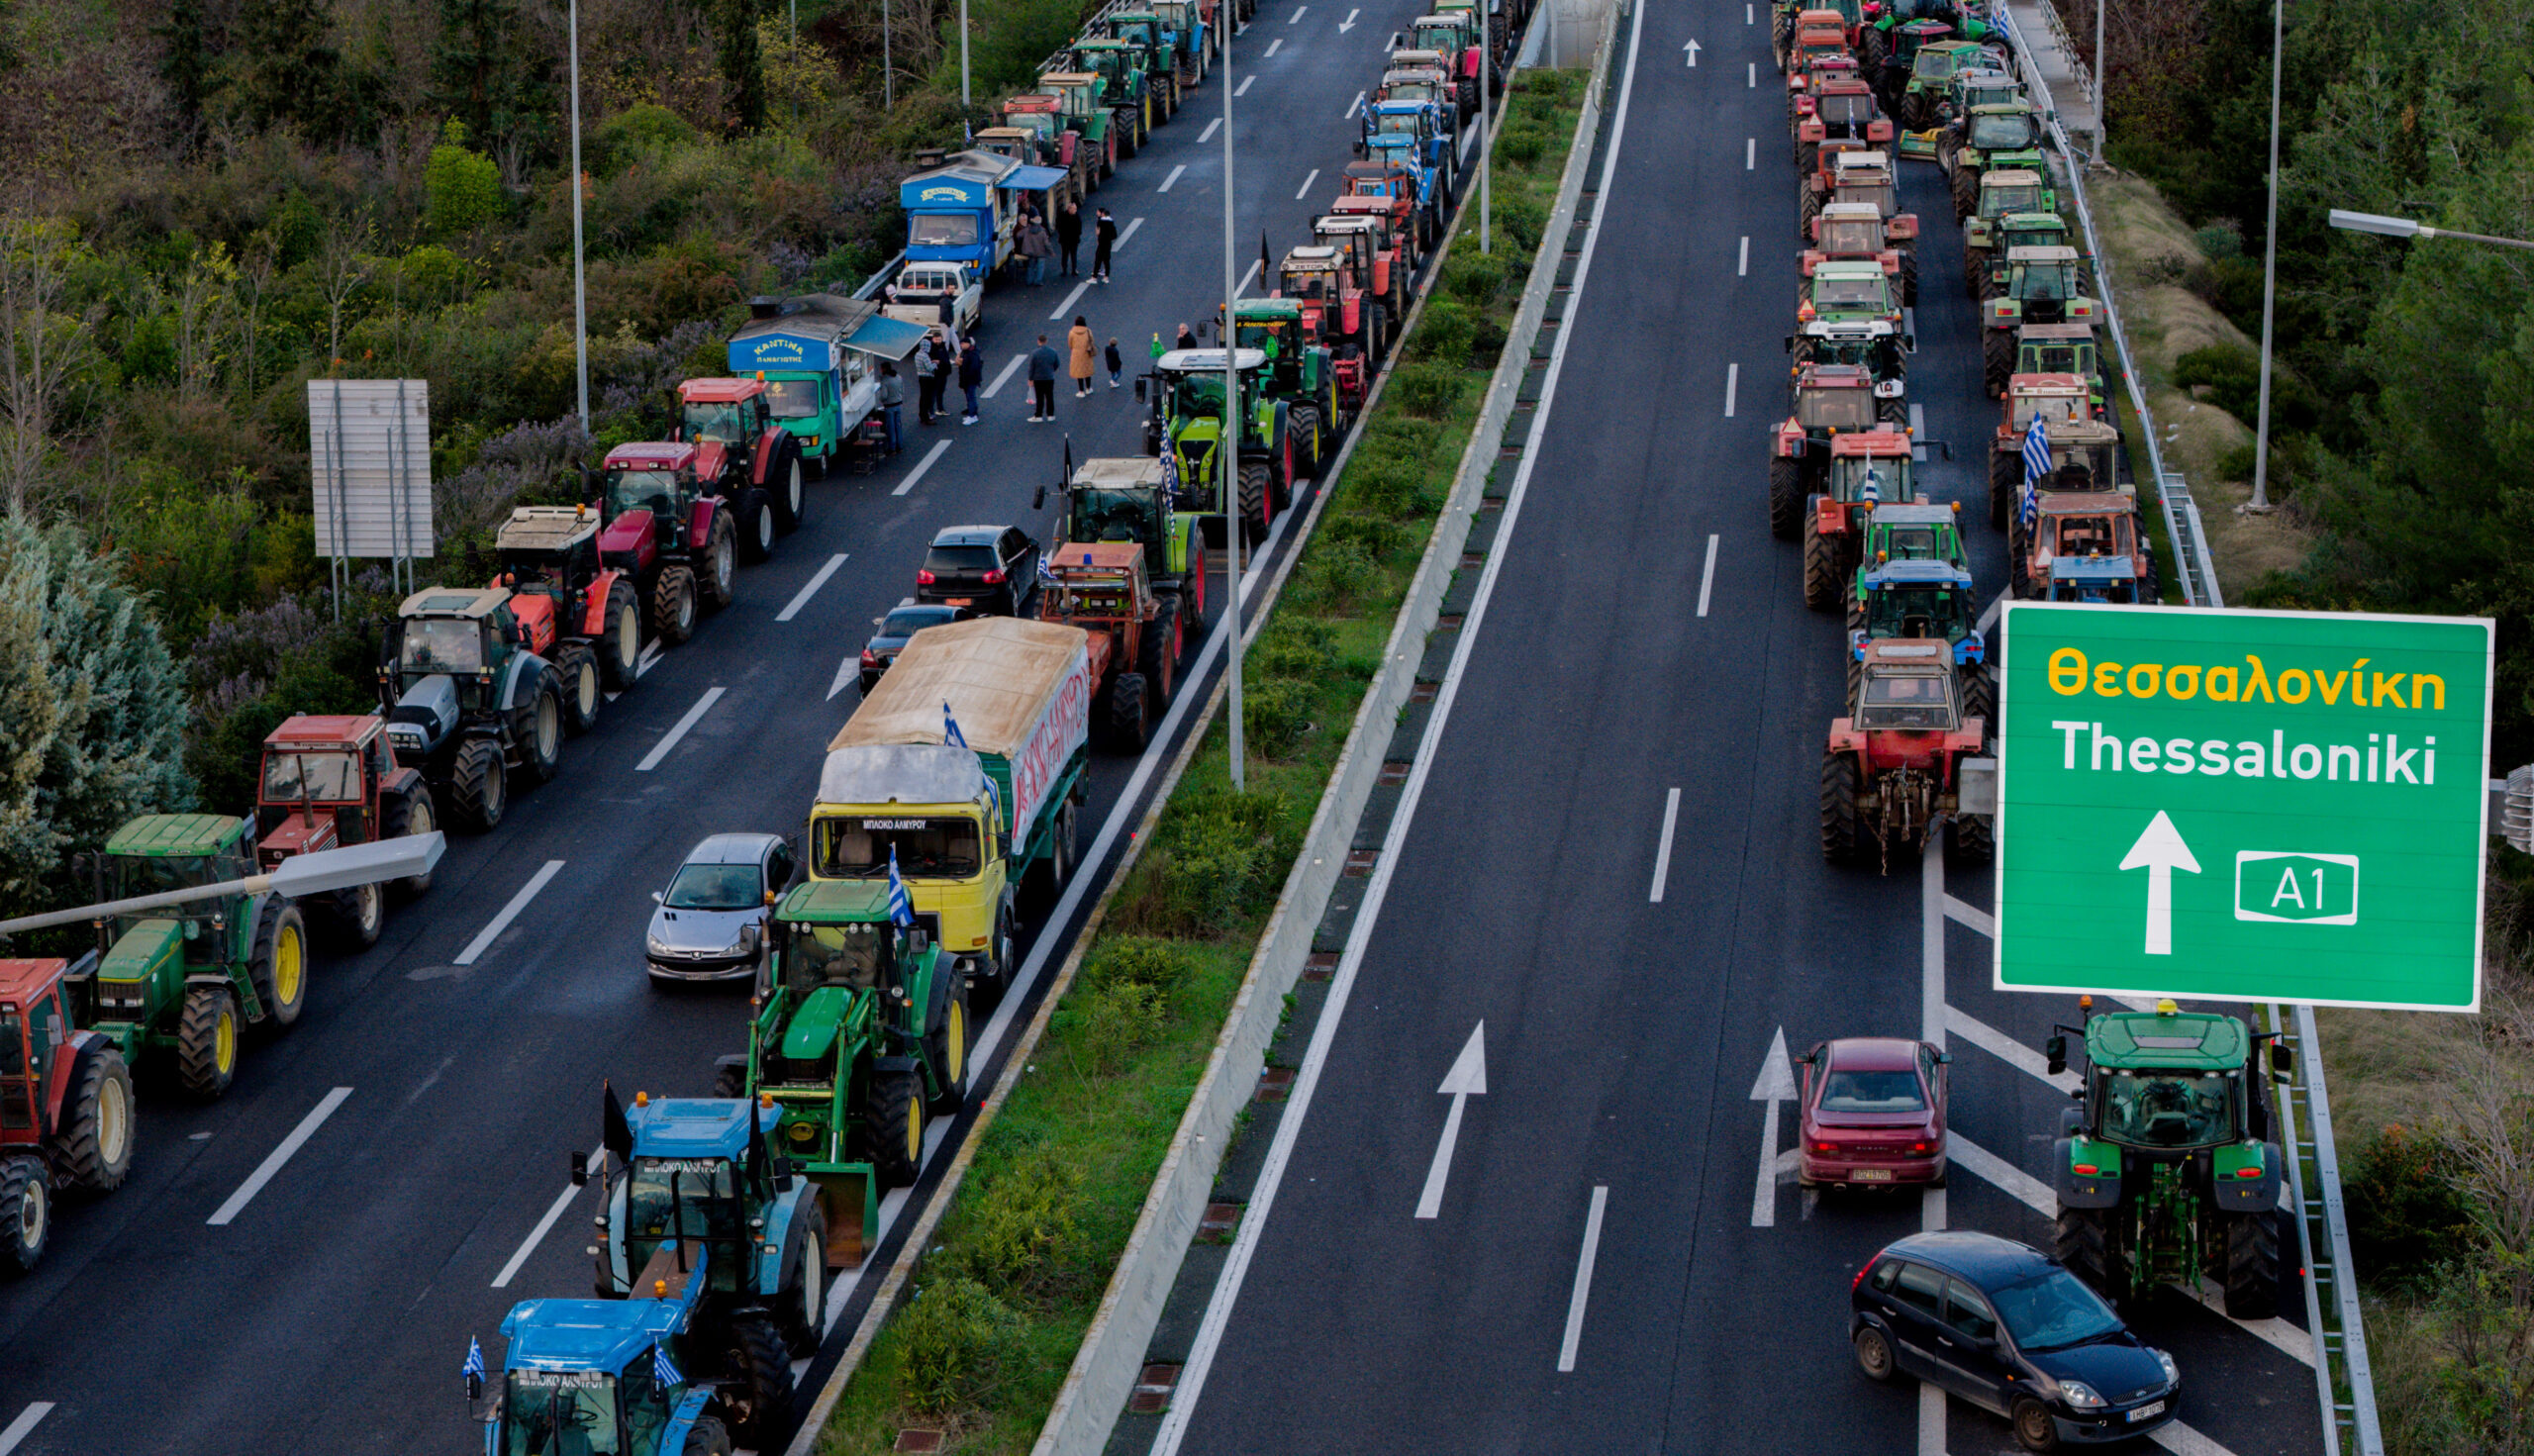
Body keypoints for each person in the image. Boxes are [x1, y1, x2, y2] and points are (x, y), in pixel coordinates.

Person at [915, 330, 945, 424]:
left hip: (921, 377)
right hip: (927, 379)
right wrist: (935, 364)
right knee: (927, 398)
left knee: (922, 397)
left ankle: (922, 415)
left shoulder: (917, 354)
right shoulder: (925, 356)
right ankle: (926, 417)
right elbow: (929, 368)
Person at [1027, 335, 1059, 421]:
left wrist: (1030, 378)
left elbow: (1031, 367)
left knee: (1039, 397)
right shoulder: (1053, 352)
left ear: (1038, 341)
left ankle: (1038, 415)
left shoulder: (1035, 353)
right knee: (1049, 396)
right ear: (1046, 341)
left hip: (1038, 378)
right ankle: (1051, 415)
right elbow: (1057, 364)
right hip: (1049, 377)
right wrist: (1051, 371)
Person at [877, 362, 905, 454]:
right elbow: (902, 391)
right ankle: (900, 446)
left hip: (889, 406)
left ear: (884, 369)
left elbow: (884, 396)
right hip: (899, 404)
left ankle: (892, 447)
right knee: (898, 425)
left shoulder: (885, 380)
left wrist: (880, 398)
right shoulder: (899, 377)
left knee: (891, 427)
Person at [1020, 216, 1053, 286]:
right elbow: (1047, 244)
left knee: (1030, 267)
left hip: (1031, 253)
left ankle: (1029, 281)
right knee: (1040, 267)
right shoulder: (1042, 232)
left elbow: (1018, 235)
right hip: (1041, 253)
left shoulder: (1027, 230)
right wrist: (1051, 252)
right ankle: (1038, 281)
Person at [958, 338, 985, 425]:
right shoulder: (968, 352)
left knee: (971, 397)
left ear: (968, 344)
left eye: (962, 344)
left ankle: (972, 416)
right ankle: (973, 414)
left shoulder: (972, 354)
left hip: (971, 379)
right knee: (970, 397)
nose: (961, 345)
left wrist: (967, 376)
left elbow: (974, 367)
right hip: (968, 379)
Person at [1069, 316, 1096, 399]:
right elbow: (1092, 341)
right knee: (1087, 370)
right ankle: (1088, 388)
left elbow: (1070, 344)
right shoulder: (1088, 331)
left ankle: (1081, 391)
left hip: (1076, 354)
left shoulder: (1072, 332)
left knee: (1078, 372)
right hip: (1086, 353)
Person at [1056, 199, 1085, 277]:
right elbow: (1059, 227)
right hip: (1065, 240)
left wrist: (1077, 235)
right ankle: (1064, 270)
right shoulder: (1063, 216)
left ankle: (1074, 269)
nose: (1075, 210)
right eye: (1074, 209)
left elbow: (1079, 227)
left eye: (1075, 209)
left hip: (1074, 240)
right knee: (1065, 255)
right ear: (1069, 209)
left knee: (1073, 255)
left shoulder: (1077, 216)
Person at [1092, 207, 1119, 282]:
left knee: (1098, 259)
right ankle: (1106, 277)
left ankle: (1094, 277)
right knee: (1106, 260)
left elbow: (1098, 232)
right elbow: (1115, 235)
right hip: (1108, 244)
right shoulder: (1111, 223)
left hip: (1101, 243)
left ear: (1103, 214)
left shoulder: (1100, 222)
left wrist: (1100, 238)